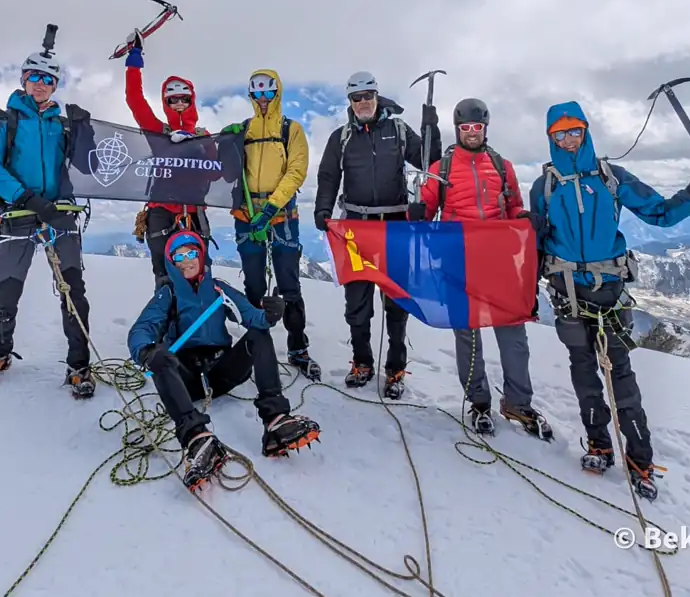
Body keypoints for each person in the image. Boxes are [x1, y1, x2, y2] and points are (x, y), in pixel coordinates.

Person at [529, 101, 690, 500]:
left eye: (574, 131)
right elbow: (535, 241)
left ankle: (640, 460)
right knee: (585, 375)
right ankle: (599, 445)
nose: (569, 140)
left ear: (585, 131)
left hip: (609, 293)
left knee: (621, 379)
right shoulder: (544, 186)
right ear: (551, 138)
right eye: (560, 134)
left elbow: (660, 214)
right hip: (568, 295)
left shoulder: (611, 178)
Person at [128, 231, 322, 491]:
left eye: (191, 253)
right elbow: (142, 329)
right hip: (185, 377)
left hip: (221, 370)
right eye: (179, 256)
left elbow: (252, 318)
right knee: (161, 357)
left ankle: (276, 419)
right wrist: (146, 351)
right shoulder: (168, 294)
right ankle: (196, 437)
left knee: (259, 336)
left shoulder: (217, 288)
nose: (186, 260)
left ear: (201, 254)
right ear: (171, 261)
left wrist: (272, 314)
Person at [410, 98, 552, 440]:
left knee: (513, 334)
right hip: (457, 261)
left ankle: (518, 402)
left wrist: (523, 218)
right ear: (457, 130)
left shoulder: (502, 166)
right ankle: (479, 402)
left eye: (476, 128)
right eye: (465, 129)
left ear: (485, 128)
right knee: (468, 336)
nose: (471, 134)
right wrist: (416, 213)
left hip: (497, 262)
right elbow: (426, 211)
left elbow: (513, 206)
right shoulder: (441, 167)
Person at [0, 45, 96, 398]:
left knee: (73, 292)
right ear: (23, 80)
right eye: (34, 78)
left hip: (59, 214)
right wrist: (25, 197)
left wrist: (86, 134)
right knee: (6, 292)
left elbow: (89, 168)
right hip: (18, 214)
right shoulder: (1, 121)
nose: (40, 84)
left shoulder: (64, 123)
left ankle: (79, 362)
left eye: (48, 79)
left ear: (55, 86)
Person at [313, 70, 439, 399]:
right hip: (355, 227)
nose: (363, 102)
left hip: (395, 225)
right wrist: (322, 210)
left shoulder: (397, 130)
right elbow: (328, 177)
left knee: (396, 301)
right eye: (357, 98)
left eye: (368, 95)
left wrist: (431, 128)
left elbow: (430, 161)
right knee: (357, 303)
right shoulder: (341, 137)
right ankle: (362, 362)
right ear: (350, 102)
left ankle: (395, 368)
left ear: (377, 96)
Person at [219, 70, 320, 381]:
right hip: (247, 216)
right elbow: (225, 171)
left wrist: (272, 206)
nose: (262, 98)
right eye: (257, 92)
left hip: (281, 215)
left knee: (289, 282)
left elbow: (296, 171)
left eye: (268, 92)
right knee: (254, 284)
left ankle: (297, 346)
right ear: (251, 95)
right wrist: (225, 142)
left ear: (277, 93)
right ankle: (256, 345)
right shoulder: (244, 131)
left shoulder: (291, 129)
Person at [123, 30, 212, 287]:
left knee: (199, 272)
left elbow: (217, 172)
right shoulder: (157, 132)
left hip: (195, 212)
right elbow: (135, 100)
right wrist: (134, 60)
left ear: (192, 99)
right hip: (161, 212)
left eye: (184, 98)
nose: (179, 103)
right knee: (164, 275)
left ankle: (199, 324)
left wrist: (221, 144)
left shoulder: (203, 135)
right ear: (166, 102)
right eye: (172, 99)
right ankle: (166, 323)